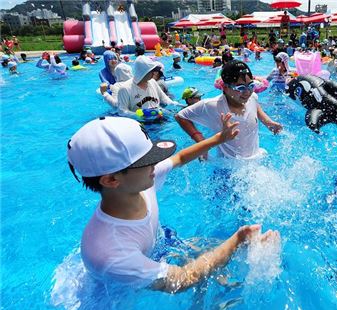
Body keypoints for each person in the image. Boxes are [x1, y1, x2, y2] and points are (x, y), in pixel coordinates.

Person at [67, 115, 280, 293]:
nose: (155, 164)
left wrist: (219, 139)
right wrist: (238, 239)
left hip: (154, 249)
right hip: (111, 301)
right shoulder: (111, 254)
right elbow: (181, 281)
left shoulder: (136, 183)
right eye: (146, 161)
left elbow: (178, 158)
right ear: (112, 180)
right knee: (215, 292)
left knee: (215, 263)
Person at [175, 60, 282, 160]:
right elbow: (180, 116)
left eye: (250, 85)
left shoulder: (252, 97)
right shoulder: (212, 105)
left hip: (254, 158)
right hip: (228, 166)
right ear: (226, 88)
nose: (247, 92)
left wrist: (268, 122)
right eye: (240, 88)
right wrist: (201, 141)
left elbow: (255, 106)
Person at [116, 56, 183, 118]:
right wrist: (141, 115)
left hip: (159, 118)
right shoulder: (125, 89)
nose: (155, 73)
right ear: (143, 72)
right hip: (141, 124)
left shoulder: (153, 82)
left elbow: (165, 100)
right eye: (152, 71)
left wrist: (181, 106)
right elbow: (122, 112)